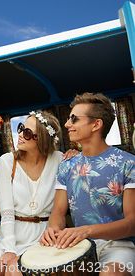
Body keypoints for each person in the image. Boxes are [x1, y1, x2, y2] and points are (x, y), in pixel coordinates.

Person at [39, 92, 135, 276]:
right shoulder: (67, 166)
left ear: (96, 124)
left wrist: (86, 230)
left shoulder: (128, 164)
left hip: (120, 247)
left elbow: (131, 223)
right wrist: (53, 229)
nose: (67, 125)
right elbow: (58, 212)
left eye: (73, 119)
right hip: (78, 246)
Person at [0, 111, 77, 276]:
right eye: (20, 128)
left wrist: (76, 155)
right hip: (10, 234)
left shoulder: (60, 161)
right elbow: (6, 212)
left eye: (26, 133)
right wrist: (9, 249)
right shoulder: (6, 161)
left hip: (43, 236)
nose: (19, 135)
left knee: (14, 270)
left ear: (43, 139)